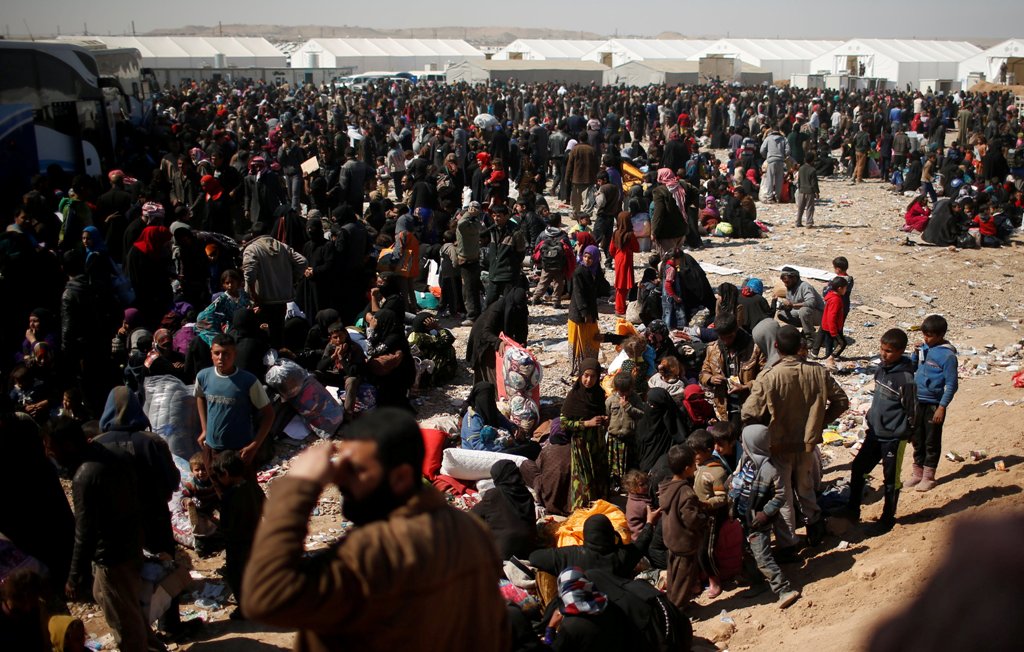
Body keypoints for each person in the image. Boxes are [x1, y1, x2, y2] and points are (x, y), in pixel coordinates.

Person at [241, 409, 510, 651]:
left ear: (401, 477)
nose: (341, 481)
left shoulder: (374, 550)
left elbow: (265, 597)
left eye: (355, 470)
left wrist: (299, 487)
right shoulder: (470, 530)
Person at [42, 417, 167, 652]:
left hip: (112, 558)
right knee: (116, 602)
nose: (48, 452)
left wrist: (73, 576)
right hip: (131, 545)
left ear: (67, 445)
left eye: (50, 446)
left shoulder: (84, 477)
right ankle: (152, 645)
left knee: (123, 622)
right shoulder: (114, 455)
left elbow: (84, 531)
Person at [741, 326, 849, 551]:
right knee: (806, 487)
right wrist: (820, 422)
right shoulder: (818, 372)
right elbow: (841, 401)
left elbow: (748, 412)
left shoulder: (769, 377)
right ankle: (815, 528)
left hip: (779, 445)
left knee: (784, 497)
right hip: (807, 443)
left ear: (776, 347)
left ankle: (789, 543)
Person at [838, 328, 916, 534]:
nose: (883, 354)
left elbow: (912, 410)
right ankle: (852, 509)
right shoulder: (881, 369)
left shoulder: (905, 379)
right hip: (875, 432)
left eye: (889, 351)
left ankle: (887, 519)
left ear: (900, 351)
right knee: (858, 468)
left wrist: (906, 432)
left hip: (892, 437)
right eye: (882, 349)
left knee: (891, 479)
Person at [729, 425, 801, 608]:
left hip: (758, 522)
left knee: (763, 557)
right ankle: (758, 583)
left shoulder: (769, 469)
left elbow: (780, 496)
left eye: (744, 442)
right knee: (748, 555)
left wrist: (765, 513)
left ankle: (783, 589)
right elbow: (738, 481)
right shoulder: (746, 461)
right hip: (743, 518)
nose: (741, 445)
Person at [195, 334, 274, 468]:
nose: (221, 358)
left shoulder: (248, 381)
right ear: (211, 354)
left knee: (244, 487)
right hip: (212, 447)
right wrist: (204, 429)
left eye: (226, 354)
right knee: (217, 484)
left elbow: (269, 414)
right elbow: (200, 397)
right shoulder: (203, 376)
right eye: (217, 353)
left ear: (235, 354)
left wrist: (254, 446)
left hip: (239, 450)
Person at [905, 315, 958, 492]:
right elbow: (914, 369)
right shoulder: (925, 349)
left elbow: (951, 384)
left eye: (930, 336)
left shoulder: (947, 356)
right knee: (916, 438)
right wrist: (915, 354)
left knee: (931, 440)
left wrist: (942, 407)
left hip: (934, 403)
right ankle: (917, 473)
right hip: (918, 400)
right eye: (925, 335)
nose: (926, 339)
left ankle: (929, 476)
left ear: (941, 334)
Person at [211, 450, 265, 620]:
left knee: (236, 575)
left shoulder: (229, 496)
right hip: (255, 537)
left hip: (237, 543)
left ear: (225, 473)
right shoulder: (253, 486)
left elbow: (227, 524)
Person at [529, 513, 654, 580]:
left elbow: (534, 557)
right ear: (610, 534)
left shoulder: (570, 555)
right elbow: (640, 545)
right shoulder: (623, 556)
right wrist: (649, 522)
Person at [241, 225, 308, 348]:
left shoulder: (251, 249)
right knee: (278, 333)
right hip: (282, 298)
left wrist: (253, 296)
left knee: (263, 335)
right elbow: (302, 262)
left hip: (263, 300)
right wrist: (292, 280)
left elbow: (249, 275)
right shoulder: (282, 246)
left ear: (253, 235)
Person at [658, 444, 707, 611]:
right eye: (694, 464)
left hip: (671, 540)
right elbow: (691, 519)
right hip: (684, 543)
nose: (696, 467)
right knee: (683, 579)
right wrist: (703, 517)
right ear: (687, 468)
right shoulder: (686, 492)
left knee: (674, 576)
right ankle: (677, 611)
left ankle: (676, 603)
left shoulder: (666, 487)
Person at [700, 314, 765, 430]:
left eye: (729, 337)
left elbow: (765, 378)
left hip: (749, 405)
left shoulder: (755, 348)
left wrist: (745, 387)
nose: (726, 341)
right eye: (722, 337)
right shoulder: (713, 349)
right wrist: (710, 379)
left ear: (736, 330)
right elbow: (703, 373)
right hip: (724, 408)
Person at [561, 359, 609, 510]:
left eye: (593, 376)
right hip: (582, 445)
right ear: (580, 375)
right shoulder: (574, 396)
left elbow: (601, 412)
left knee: (599, 475)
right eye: (586, 375)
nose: (589, 380)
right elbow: (563, 423)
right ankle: (582, 512)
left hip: (598, 442)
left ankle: (600, 508)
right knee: (584, 479)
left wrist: (605, 419)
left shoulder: (599, 394)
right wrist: (586, 424)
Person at [471, 460, 537, 560]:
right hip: (528, 550)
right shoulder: (527, 494)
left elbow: (471, 516)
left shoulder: (494, 494)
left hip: (503, 553)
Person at [466, 287, 528, 384]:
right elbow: (486, 331)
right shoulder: (498, 307)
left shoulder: (521, 308)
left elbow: (522, 328)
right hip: (484, 338)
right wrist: (498, 342)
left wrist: (521, 344)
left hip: (498, 335)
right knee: (491, 369)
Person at [364, 308, 416, 412]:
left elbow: (371, 351)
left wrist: (370, 330)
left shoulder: (394, 336)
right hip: (392, 374)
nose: (375, 322)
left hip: (398, 376)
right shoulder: (386, 332)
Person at [519, 418, 573, 517]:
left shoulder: (548, 451)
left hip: (548, 497)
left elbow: (539, 470)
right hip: (572, 499)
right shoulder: (579, 451)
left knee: (526, 465)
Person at [605, 371, 644, 492]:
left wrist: (628, 407)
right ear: (616, 389)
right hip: (614, 438)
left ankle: (629, 485)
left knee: (629, 463)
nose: (624, 394)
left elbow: (642, 414)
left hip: (630, 438)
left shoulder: (635, 399)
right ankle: (616, 484)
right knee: (614, 464)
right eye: (621, 391)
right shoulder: (611, 400)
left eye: (626, 391)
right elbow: (607, 416)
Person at [635, 387, 688, 473]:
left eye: (654, 405)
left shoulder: (674, 426)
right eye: (648, 403)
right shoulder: (644, 422)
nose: (650, 407)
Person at [568, 246, 602, 376]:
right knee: (580, 342)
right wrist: (584, 312)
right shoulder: (579, 272)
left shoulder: (594, 271)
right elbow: (578, 294)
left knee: (591, 339)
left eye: (590, 257)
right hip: (579, 314)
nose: (587, 259)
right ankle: (579, 368)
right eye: (585, 256)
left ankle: (590, 366)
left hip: (590, 312)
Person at [485, 205, 527, 307]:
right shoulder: (493, 230)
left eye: (498, 216)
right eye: (494, 216)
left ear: (506, 216)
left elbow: (521, 253)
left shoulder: (516, 233)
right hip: (494, 274)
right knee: (490, 302)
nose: (495, 218)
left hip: (508, 275)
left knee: (509, 302)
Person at [531, 213, 574, 309]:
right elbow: (569, 249)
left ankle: (535, 298)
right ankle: (556, 302)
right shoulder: (563, 235)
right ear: (559, 223)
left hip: (546, 264)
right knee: (558, 283)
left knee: (543, 282)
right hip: (559, 265)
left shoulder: (543, 234)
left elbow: (537, 248)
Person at [460, 382, 518, 452]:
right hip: (477, 455)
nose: (487, 401)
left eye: (490, 397)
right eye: (484, 397)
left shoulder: (493, 411)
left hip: (497, 449)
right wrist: (503, 444)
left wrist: (514, 428)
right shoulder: (472, 417)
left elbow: (505, 423)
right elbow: (478, 446)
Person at [407, 312, 457, 389]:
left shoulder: (412, 334)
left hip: (415, 370)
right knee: (448, 348)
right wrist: (437, 328)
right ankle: (441, 377)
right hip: (425, 376)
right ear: (427, 326)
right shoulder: (424, 337)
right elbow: (448, 339)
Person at [777, 267, 824, 344]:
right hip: (802, 313)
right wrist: (785, 307)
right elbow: (790, 305)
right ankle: (808, 328)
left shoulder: (804, 286)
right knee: (782, 314)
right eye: (784, 282)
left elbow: (811, 302)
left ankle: (809, 338)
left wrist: (793, 305)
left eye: (787, 282)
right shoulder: (790, 288)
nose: (785, 284)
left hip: (819, 314)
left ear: (794, 278)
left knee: (804, 311)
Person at [456, 202, 484, 324]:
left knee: (468, 290)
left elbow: (460, 223)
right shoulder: (475, 224)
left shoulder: (465, 225)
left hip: (466, 261)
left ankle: (472, 316)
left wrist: (468, 213)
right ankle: (474, 313)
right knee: (473, 289)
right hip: (473, 260)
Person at [812, 276, 848, 366]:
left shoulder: (831, 295)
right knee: (842, 343)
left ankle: (828, 356)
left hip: (826, 325)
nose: (845, 290)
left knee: (829, 342)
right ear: (840, 289)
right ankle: (831, 357)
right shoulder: (836, 300)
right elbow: (832, 316)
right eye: (845, 288)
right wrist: (834, 331)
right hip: (832, 327)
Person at [609, 211, 639, 316]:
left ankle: (620, 306)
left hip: (618, 259)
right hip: (626, 260)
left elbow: (611, 250)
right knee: (623, 286)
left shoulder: (615, 233)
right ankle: (620, 309)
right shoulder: (630, 235)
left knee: (620, 284)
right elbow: (637, 248)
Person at [760, 126, 789, 202]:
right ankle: (777, 197)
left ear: (772, 130)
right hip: (780, 160)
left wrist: (766, 156)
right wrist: (784, 155)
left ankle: (769, 198)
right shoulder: (784, 139)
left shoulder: (768, 138)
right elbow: (788, 151)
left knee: (770, 179)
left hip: (771, 160)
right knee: (779, 179)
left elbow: (762, 150)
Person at [795, 154, 820, 227]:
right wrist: (817, 192)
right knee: (809, 207)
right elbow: (814, 183)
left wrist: (799, 189)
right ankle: (809, 223)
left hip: (801, 190)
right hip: (810, 191)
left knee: (800, 207)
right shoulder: (812, 170)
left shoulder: (801, 168)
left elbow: (799, 180)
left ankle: (798, 222)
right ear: (812, 161)